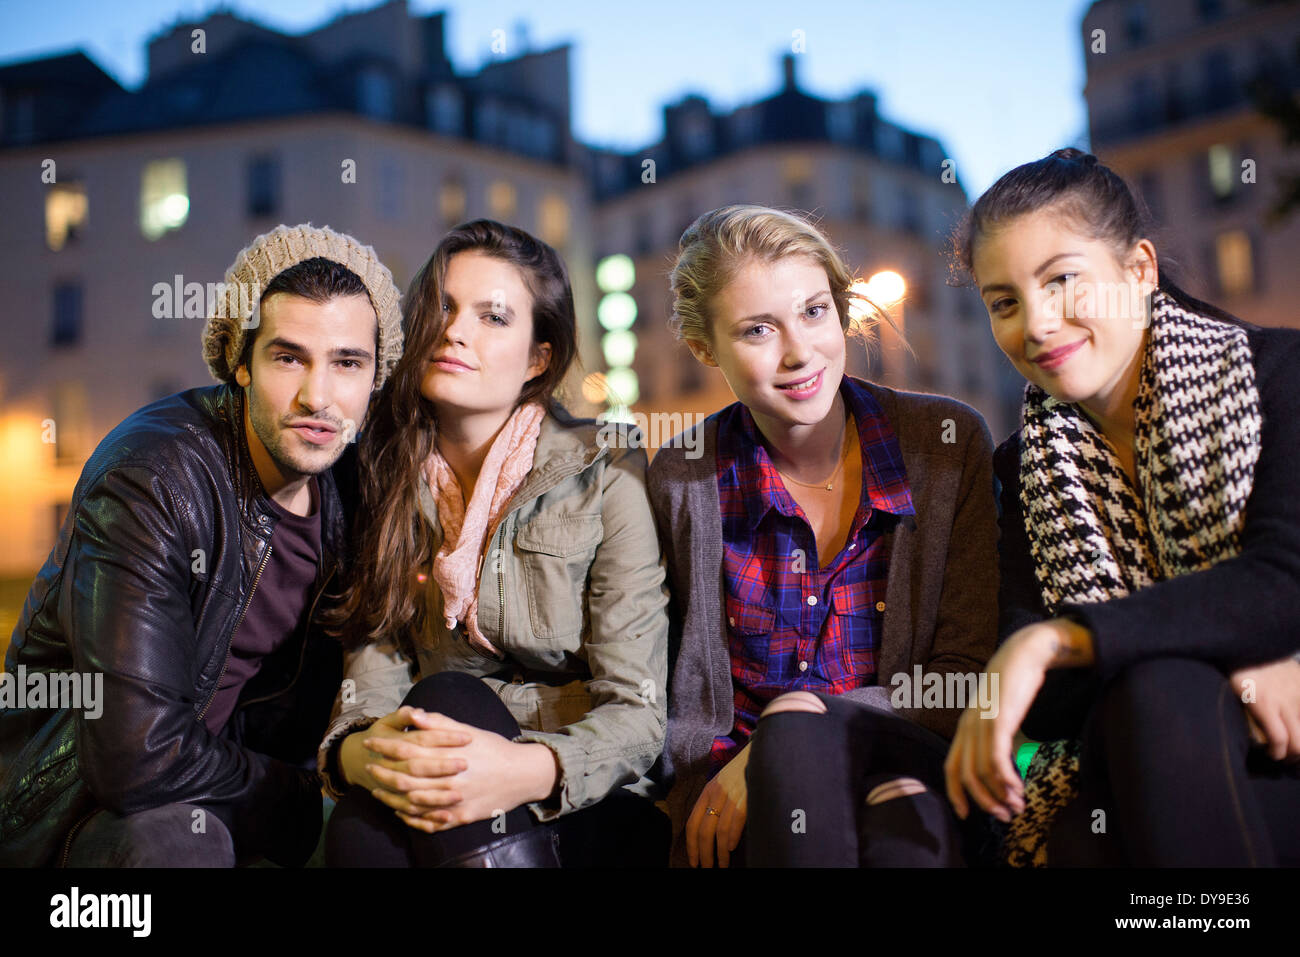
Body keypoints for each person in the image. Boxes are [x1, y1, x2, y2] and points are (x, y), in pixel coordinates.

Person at [0, 224, 404, 866]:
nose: (318, 397)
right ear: (240, 363)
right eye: (288, 358)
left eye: (347, 363)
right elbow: (137, 759)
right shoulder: (152, 478)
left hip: (240, 788)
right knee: (176, 842)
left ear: (375, 376)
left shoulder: (357, 487)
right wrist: (315, 799)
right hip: (79, 814)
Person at [945, 148, 1300, 866]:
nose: (1037, 324)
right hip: (1131, 757)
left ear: (1139, 270)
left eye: (1062, 280)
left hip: (1280, 739)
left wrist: (1058, 640)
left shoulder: (1278, 374)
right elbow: (1048, 705)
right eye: (1005, 303)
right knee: (1153, 700)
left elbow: (1283, 579)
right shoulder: (1020, 466)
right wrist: (1224, 644)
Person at [647, 204, 999, 867]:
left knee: (900, 828)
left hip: (907, 759)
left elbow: (967, 676)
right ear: (704, 349)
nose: (799, 352)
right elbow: (675, 700)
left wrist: (795, 727)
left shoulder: (946, 446)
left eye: (814, 312)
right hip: (737, 800)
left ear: (840, 311)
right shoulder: (682, 476)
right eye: (757, 329)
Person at [318, 219, 670, 868]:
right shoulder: (385, 473)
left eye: (493, 317)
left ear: (538, 358)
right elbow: (375, 661)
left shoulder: (605, 471)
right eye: (443, 307)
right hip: (446, 769)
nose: (454, 331)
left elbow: (638, 715)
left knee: (449, 697)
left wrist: (517, 768)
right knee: (364, 824)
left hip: (581, 793)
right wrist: (357, 750)